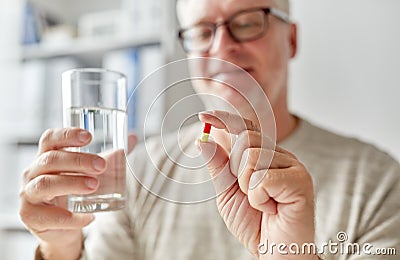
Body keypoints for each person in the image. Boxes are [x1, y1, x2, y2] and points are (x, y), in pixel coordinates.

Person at [19, 0, 400, 259]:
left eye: (248, 22)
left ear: (293, 39)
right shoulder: (140, 173)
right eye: (202, 31)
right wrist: (61, 247)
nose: (223, 47)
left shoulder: (377, 182)